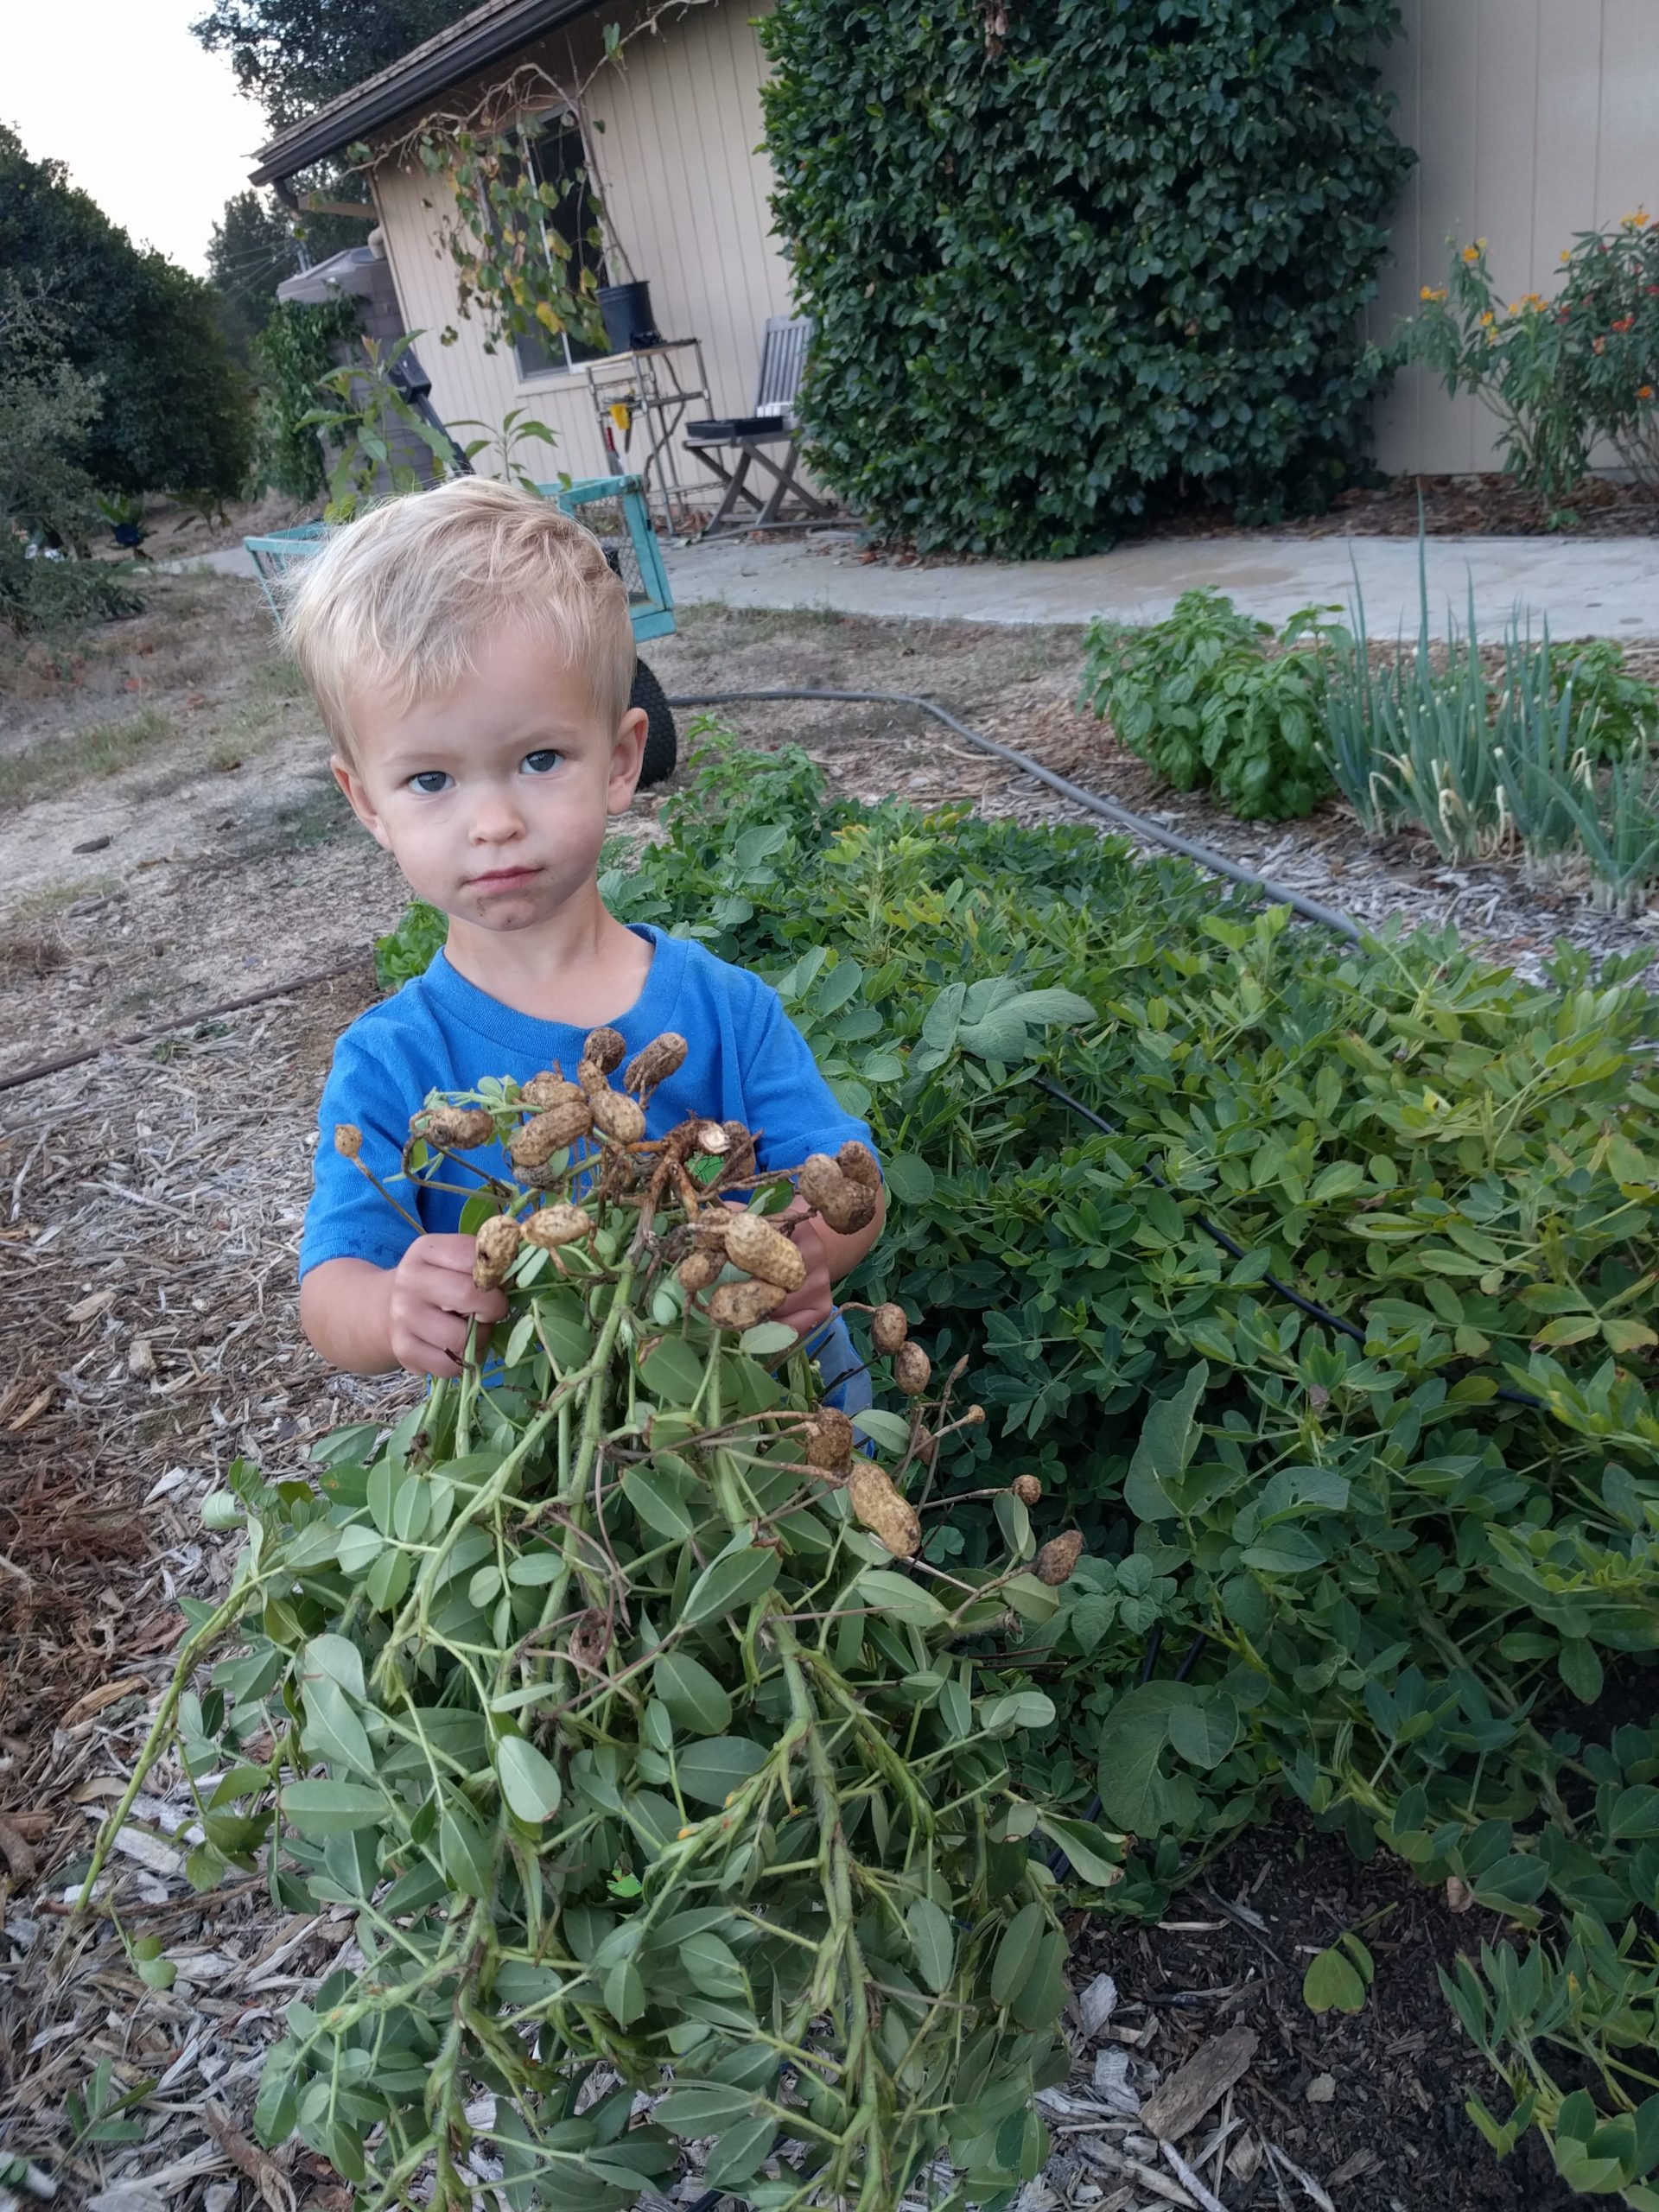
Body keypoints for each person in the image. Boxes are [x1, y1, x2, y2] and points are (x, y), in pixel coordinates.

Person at [287, 477, 884, 1390]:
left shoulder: (724, 1008)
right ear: (366, 801)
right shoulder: (391, 1060)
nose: (491, 821)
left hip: (770, 1436)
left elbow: (852, 1184)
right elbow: (331, 1288)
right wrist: (388, 1308)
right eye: (431, 780)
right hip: (552, 1491)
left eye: (538, 760)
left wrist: (812, 1253)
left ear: (619, 761)